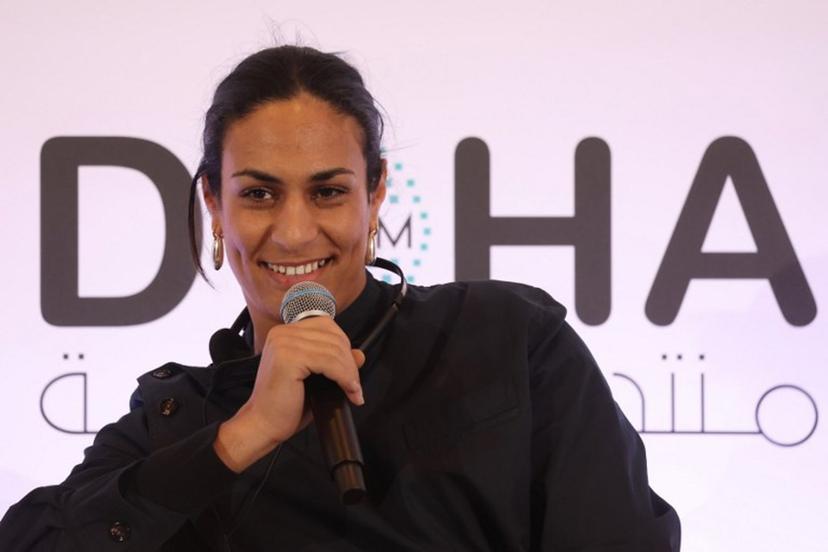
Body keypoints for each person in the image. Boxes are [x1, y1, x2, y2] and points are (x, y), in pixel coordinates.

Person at [0, 45, 680, 551]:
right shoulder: (178, 421)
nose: (295, 233)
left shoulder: (508, 342)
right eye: (258, 193)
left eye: (327, 191)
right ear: (214, 202)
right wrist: (241, 438)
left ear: (376, 193)